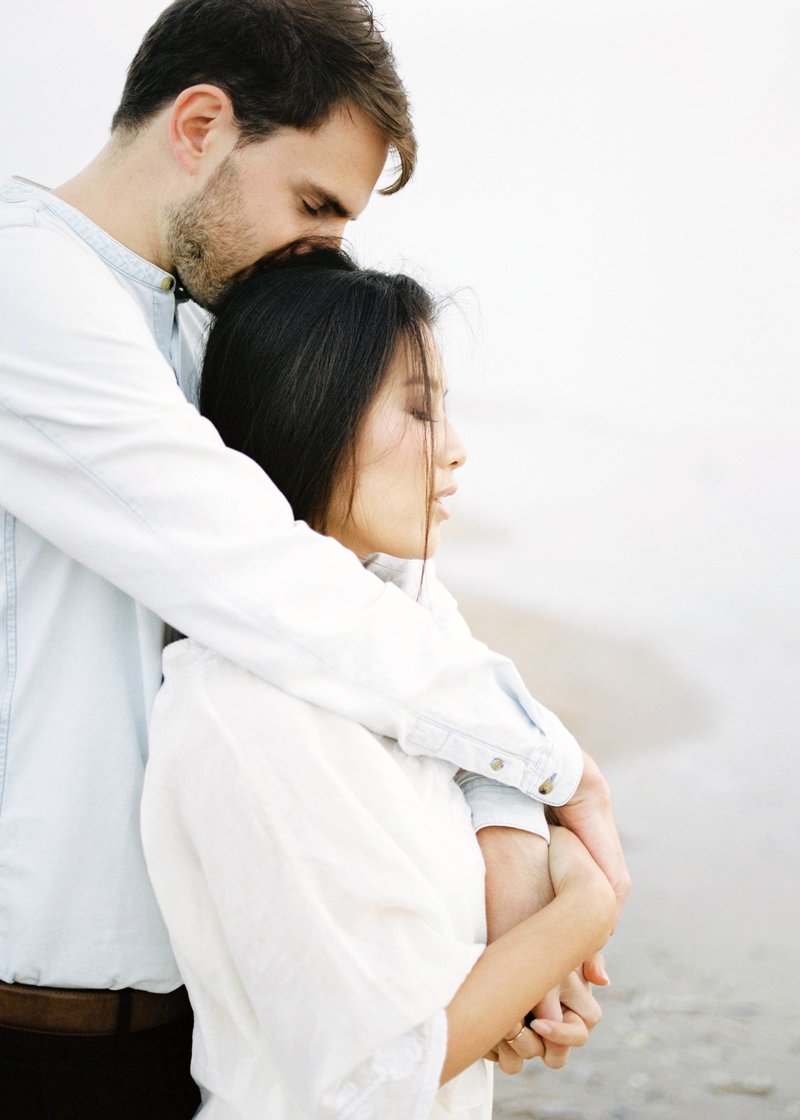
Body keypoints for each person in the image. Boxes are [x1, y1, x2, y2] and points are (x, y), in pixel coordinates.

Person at [0, 0, 628, 1115]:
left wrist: (508, 837)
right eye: (311, 203)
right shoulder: (26, 289)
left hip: (199, 1010)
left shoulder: (199, 322)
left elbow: (380, 598)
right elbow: (272, 582)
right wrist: (553, 763)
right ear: (199, 126)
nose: (321, 252)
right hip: (34, 1021)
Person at [142, 246, 617, 1119]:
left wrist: (525, 965)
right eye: (421, 411)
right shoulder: (246, 710)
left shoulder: (411, 646)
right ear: (309, 410)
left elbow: (445, 982)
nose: (458, 450)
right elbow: (379, 1072)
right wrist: (583, 910)